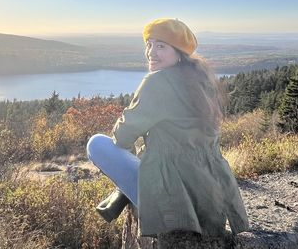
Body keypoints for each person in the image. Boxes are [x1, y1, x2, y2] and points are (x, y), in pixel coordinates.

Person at [86, 18, 249, 239]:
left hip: (173, 196)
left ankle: (135, 198)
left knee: (97, 143)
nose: (151, 52)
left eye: (161, 46)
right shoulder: (203, 80)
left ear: (179, 52)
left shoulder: (158, 82)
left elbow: (122, 136)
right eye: (149, 44)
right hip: (209, 196)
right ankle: (129, 192)